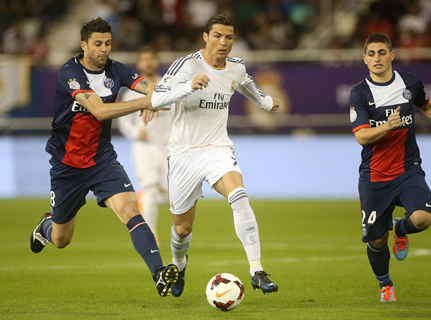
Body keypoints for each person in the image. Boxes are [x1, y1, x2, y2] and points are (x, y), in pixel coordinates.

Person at [29, 17, 178, 297]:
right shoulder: (70, 73)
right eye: (97, 44)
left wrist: (158, 98)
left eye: (108, 43)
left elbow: (152, 89)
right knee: (62, 239)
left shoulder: (117, 70)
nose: (104, 49)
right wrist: (145, 102)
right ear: (84, 44)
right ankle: (46, 225)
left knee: (131, 209)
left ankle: (159, 272)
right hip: (67, 165)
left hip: (102, 160)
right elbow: (98, 110)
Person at [150, 13, 279, 297]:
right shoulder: (186, 65)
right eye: (217, 36)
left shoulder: (235, 68)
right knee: (182, 228)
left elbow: (249, 87)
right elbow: (157, 98)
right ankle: (179, 264)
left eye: (229, 37)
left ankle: (257, 269)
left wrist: (267, 103)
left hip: (217, 148)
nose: (223, 42)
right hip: (183, 153)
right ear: (205, 37)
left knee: (239, 195)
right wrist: (187, 86)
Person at [349, 32, 431, 302]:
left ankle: (402, 229)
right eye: (371, 54)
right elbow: (361, 136)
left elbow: (428, 108)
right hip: (375, 176)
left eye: (382, 52)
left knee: (423, 218)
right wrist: (387, 126)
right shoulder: (360, 93)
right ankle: (385, 284)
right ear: (364, 59)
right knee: (377, 240)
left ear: (392, 55)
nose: (377, 58)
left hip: (408, 169)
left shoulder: (410, 83)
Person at [118, 47, 171, 245]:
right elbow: (123, 121)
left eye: (151, 58)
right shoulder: (132, 91)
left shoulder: (167, 86)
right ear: (139, 65)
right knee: (149, 191)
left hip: (169, 148)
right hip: (144, 148)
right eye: (144, 59)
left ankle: (178, 234)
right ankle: (151, 236)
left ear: (157, 62)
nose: (148, 62)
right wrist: (134, 133)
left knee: (172, 197)